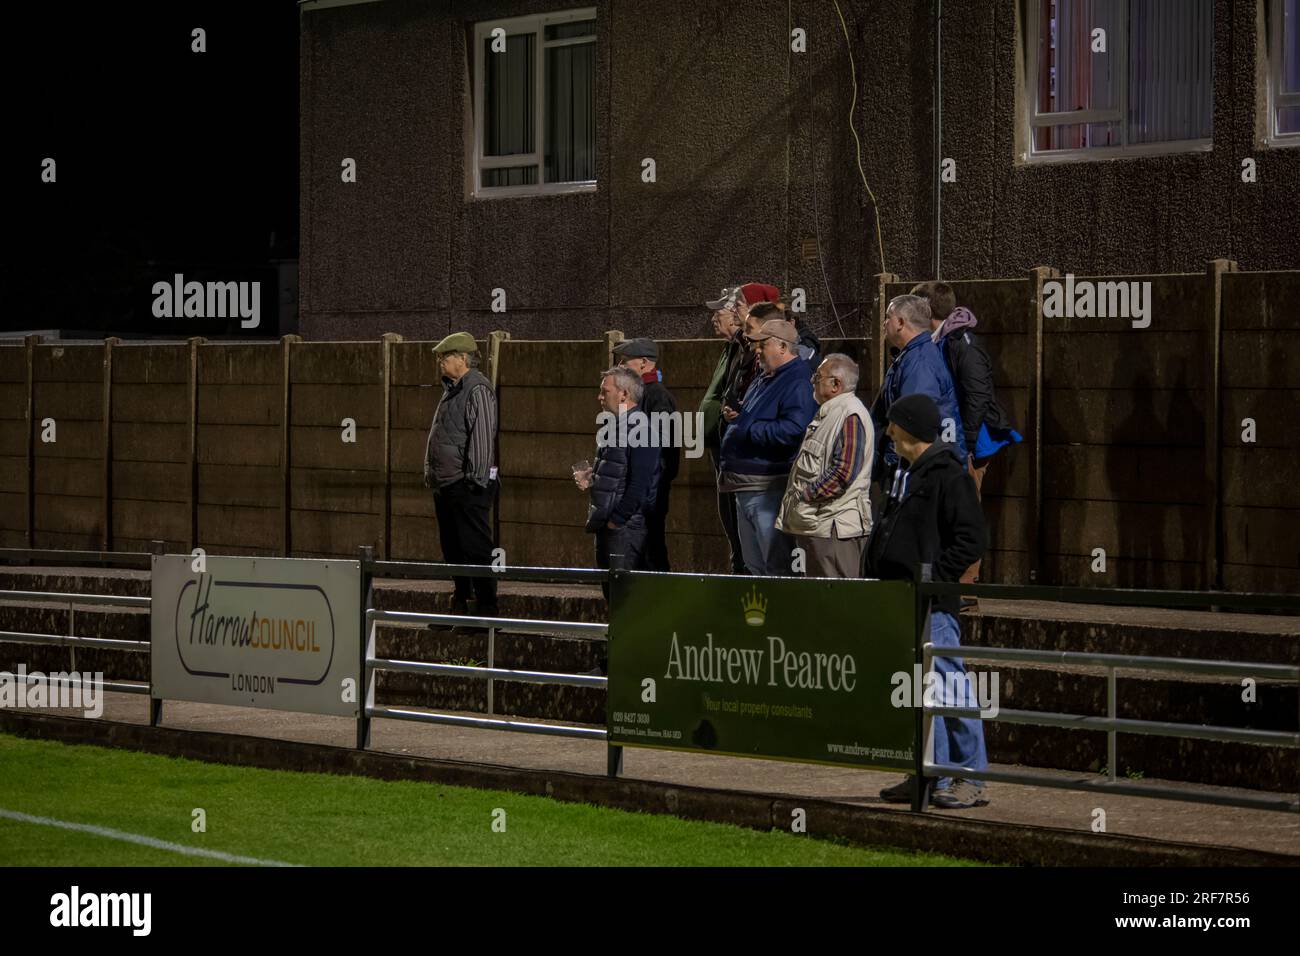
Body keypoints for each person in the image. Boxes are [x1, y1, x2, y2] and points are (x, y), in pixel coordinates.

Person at [864, 394, 989, 810]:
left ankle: (969, 777)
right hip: (901, 598)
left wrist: (934, 576)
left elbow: (973, 538)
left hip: (931, 603)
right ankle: (926, 771)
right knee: (917, 692)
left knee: (949, 687)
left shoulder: (947, 475)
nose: (888, 430)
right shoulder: (906, 470)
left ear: (911, 428)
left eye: (894, 424)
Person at [911, 281, 1022, 590]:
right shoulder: (942, 340)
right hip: (958, 438)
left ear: (927, 309)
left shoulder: (962, 343)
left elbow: (977, 396)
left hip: (972, 441)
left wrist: (968, 446)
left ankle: (965, 588)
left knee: (965, 512)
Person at [718, 318, 817, 576]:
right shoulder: (766, 377)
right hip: (747, 487)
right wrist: (739, 418)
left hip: (767, 489)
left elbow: (795, 429)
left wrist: (747, 428)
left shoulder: (797, 380)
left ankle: (780, 616)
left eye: (763, 345)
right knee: (755, 566)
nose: (756, 351)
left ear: (783, 347)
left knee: (775, 567)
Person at [700, 282, 777, 573]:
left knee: (759, 550)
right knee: (739, 537)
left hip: (754, 471)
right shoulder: (736, 348)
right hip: (731, 453)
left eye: (737, 306)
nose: (730, 313)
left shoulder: (754, 354)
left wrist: (739, 423)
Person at [423, 332, 499, 620]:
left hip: (467, 486)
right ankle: (461, 603)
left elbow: (481, 438)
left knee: (476, 548)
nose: (441, 362)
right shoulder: (452, 389)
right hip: (447, 484)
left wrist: (474, 482)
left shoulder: (477, 389)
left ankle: (486, 608)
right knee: (452, 547)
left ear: (463, 359)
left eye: (446, 356)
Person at [777, 354, 873, 577]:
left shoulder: (849, 414)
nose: (812, 381)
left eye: (818, 376)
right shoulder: (832, 412)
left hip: (835, 530)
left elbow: (843, 473)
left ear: (836, 384)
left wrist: (806, 495)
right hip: (823, 526)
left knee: (839, 603)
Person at [573, 367, 661, 600]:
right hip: (610, 526)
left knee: (624, 598)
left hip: (623, 529)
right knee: (613, 595)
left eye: (605, 391)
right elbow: (619, 472)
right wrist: (592, 478)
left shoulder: (641, 428)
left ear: (624, 394)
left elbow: (640, 485)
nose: (599, 396)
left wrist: (616, 521)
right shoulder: (617, 426)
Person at [870, 294, 967, 484]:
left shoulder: (919, 362)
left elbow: (913, 422)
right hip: (922, 466)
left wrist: (892, 462)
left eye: (888, 317)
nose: (884, 323)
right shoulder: (912, 355)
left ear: (899, 322)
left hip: (924, 470)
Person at [613, 337, 678, 572]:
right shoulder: (646, 394)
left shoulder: (656, 396)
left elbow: (659, 447)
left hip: (652, 490)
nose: (620, 366)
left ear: (643, 362)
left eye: (624, 361)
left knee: (651, 549)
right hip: (649, 489)